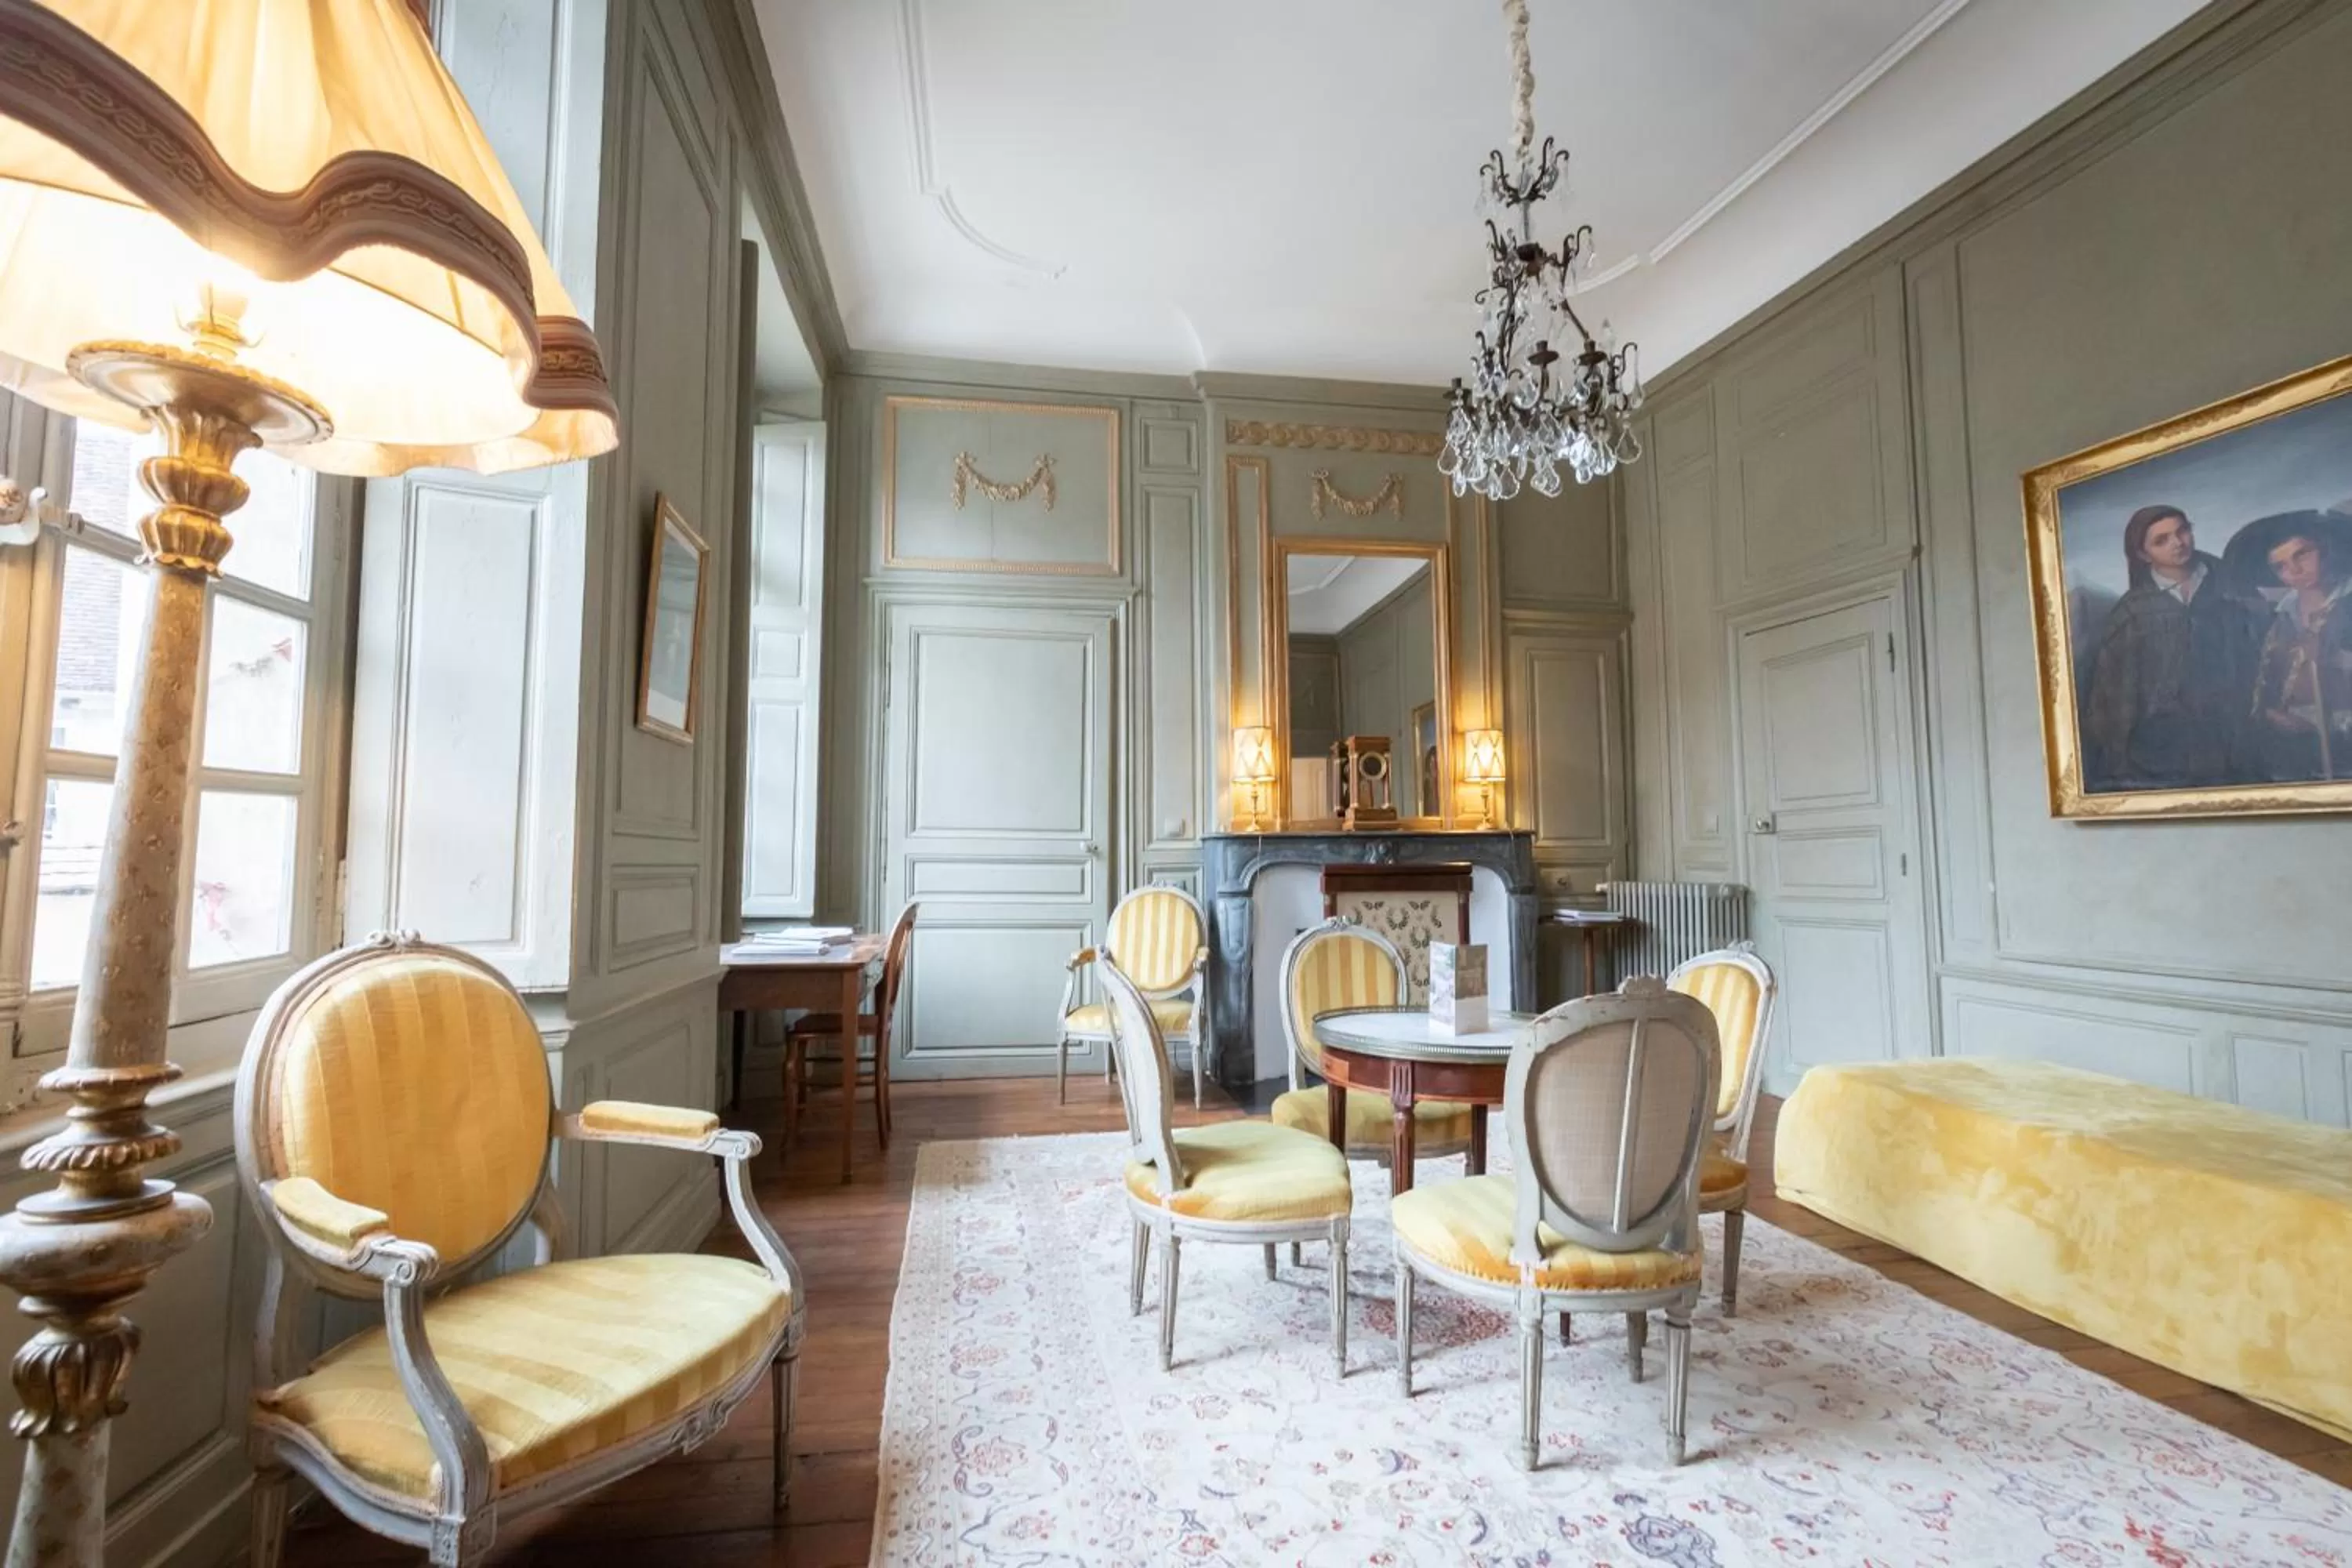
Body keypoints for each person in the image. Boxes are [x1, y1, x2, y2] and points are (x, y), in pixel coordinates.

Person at [2080, 505, 2258, 791]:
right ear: (2142, 554)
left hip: (2233, 738)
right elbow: (2115, 692)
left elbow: (2259, 655)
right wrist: (2120, 757)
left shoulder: (2232, 589)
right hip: (2161, 749)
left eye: (2182, 531)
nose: (2178, 543)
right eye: (2161, 540)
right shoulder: (2132, 611)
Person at [2229, 511, 2352, 784]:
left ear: (2325, 549)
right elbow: (2269, 677)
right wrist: (2272, 713)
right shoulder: (2282, 616)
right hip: (2293, 742)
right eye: (2280, 566)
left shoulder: (2348, 604)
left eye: (2302, 555)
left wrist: (2324, 727)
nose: (2294, 571)